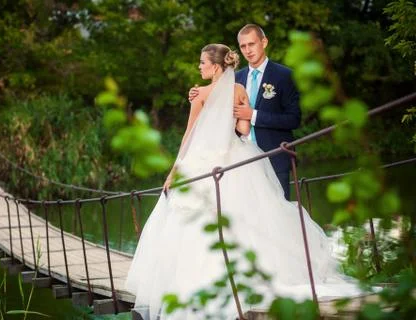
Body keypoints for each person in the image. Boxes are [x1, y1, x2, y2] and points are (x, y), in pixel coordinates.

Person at [125, 44, 364, 320]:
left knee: (194, 223)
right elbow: (243, 129)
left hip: (202, 163)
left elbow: (188, 137)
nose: (199, 67)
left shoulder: (199, 94)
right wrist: (238, 111)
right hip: (234, 159)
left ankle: (197, 289)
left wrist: (173, 172)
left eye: (202, 62)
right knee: (247, 218)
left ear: (215, 67)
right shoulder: (238, 91)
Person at [189, 24, 301, 200]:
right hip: (239, 163)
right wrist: (197, 97)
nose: (248, 50)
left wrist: (253, 115)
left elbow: (294, 119)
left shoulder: (284, 76)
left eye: (252, 44)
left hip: (274, 158)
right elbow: (217, 110)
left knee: (278, 214)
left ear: (264, 42)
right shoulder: (234, 78)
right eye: (243, 46)